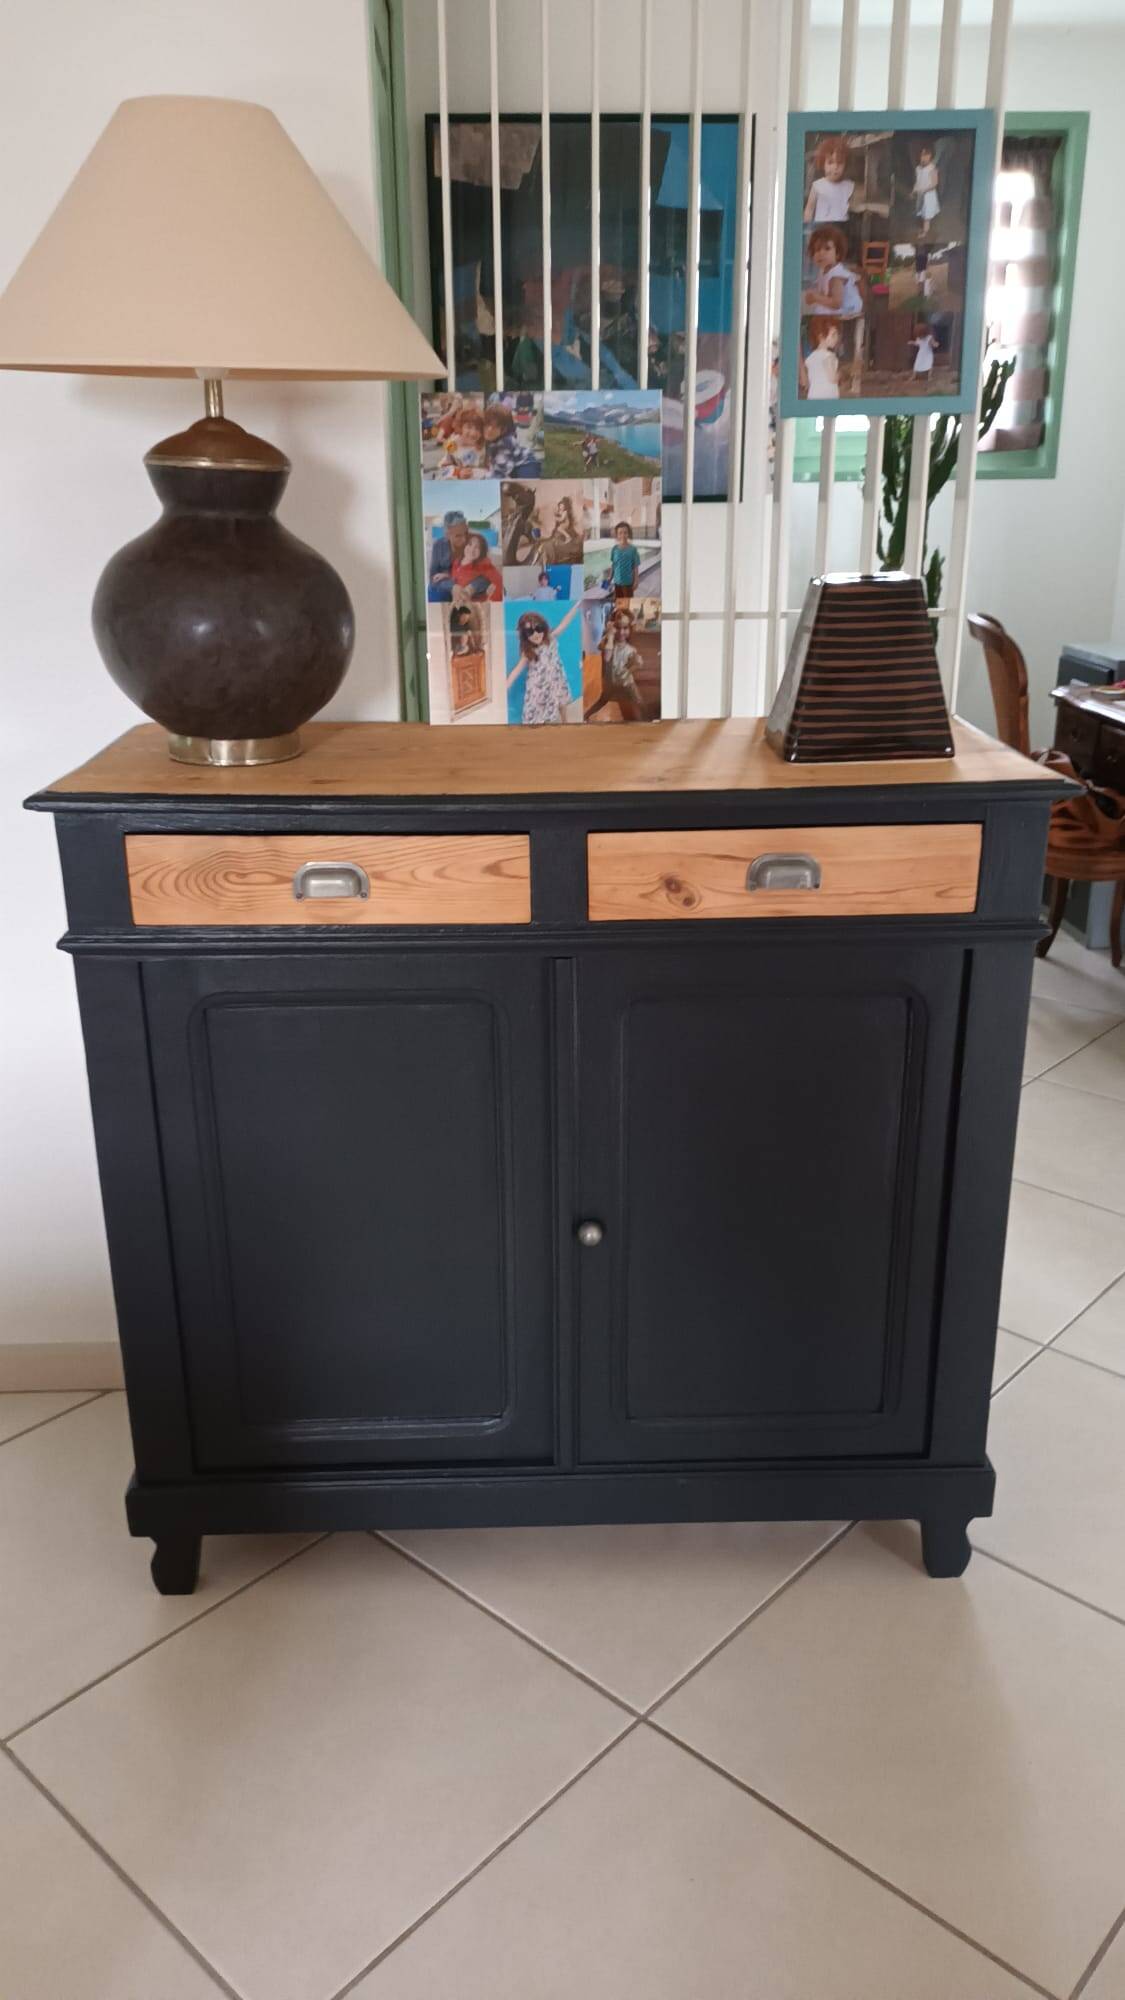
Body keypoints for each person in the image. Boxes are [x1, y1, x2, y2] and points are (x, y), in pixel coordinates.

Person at [507, 601, 583, 725]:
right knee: (538, 710)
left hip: (556, 678)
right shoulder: (528, 651)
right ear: (525, 636)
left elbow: (564, 623)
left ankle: (565, 721)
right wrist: (506, 685)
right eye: (530, 632)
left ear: (543, 627)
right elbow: (516, 670)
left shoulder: (550, 638)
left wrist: (576, 607)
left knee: (562, 701)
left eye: (538, 629)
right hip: (539, 686)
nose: (536, 634)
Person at [588, 606, 650, 722]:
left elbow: (636, 665)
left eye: (625, 628)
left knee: (639, 701)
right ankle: (585, 716)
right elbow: (606, 657)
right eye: (618, 627)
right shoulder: (608, 641)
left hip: (626, 682)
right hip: (610, 681)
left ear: (630, 628)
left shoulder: (630, 649)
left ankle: (648, 719)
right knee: (603, 700)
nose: (621, 632)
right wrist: (610, 635)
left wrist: (635, 664)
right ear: (612, 626)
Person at [803, 225, 864, 320]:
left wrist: (816, 298)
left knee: (820, 313)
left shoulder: (836, 277)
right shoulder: (824, 269)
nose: (821, 253)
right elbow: (824, 290)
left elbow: (836, 303)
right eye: (817, 250)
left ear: (837, 254)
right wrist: (814, 296)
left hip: (848, 310)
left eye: (827, 249)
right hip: (837, 306)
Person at [804, 137, 854, 223]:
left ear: (846, 164)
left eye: (840, 163)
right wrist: (807, 226)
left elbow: (851, 207)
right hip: (822, 226)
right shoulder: (818, 186)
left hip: (842, 227)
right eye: (830, 162)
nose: (835, 167)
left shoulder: (849, 185)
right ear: (823, 163)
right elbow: (809, 209)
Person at [483, 401, 538, 478]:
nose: (489, 429)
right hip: (514, 462)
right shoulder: (493, 438)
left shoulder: (505, 444)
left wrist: (484, 477)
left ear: (503, 429)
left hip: (526, 464)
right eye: (488, 424)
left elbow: (499, 473)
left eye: (495, 427)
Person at [428, 509, 471, 602]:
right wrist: (452, 586)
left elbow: (478, 574)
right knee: (433, 591)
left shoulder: (472, 544)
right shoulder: (438, 546)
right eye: (458, 536)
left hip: (466, 587)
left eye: (465, 533)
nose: (464, 539)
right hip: (445, 589)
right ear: (447, 534)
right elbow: (433, 577)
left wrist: (448, 576)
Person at [450, 531, 503, 602]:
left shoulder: (483, 564)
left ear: (482, 552)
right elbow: (453, 577)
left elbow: (499, 581)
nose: (472, 550)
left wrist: (491, 600)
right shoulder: (457, 561)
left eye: (477, 547)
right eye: (469, 544)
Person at [440, 405, 486, 475]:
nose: (473, 433)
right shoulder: (451, 443)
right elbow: (443, 469)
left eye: (477, 429)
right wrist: (458, 473)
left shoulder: (483, 444)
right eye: (469, 427)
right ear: (461, 426)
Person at [803, 317, 841, 399]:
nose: (836, 338)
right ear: (821, 336)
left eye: (837, 334)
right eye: (833, 335)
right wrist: (841, 374)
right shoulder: (829, 356)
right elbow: (833, 378)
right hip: (828, 396)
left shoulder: (810, 358)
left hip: (813, 396)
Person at [608, 520, 641, 600]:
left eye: (625, 532)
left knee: (628, 602)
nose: (623, 535)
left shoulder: (633, 549)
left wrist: (636, 580)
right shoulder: (614, 549)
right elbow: (613, 565)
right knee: (618, 602)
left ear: (628, 534)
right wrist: (610, 577)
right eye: (620, 533)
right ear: (617, 535)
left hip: (628, 583)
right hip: (617, 582)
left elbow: (635, 566)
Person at [914, 144, 940, 239]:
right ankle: (924, 228)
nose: (923, 157)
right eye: (922, 155)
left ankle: (925, 232)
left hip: (929, 195)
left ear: (931, 156)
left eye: (926, 155)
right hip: (920, 194)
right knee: (922, 212)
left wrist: (925, 190)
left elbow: (934, 183)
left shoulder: (932, 168)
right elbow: (918, 181)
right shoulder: (918, 168)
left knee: (927, 216)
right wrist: (914, 190)